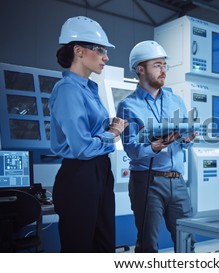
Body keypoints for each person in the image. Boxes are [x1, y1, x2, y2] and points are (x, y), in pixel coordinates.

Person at [50, 16, 128, 252]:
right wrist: (112, 133)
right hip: (80, 175)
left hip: (100, 171)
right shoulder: (67, 90)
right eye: (100, 50)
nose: (106, 57)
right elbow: (82, 147)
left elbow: (92, 135)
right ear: (79, 51)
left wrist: (111, 130)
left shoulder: (89, 89)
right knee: (80, 248)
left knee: (104, 245)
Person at [117, 40, 197, 252]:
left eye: (164, 65)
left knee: (187, 241)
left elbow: (181, 137)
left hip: (178, 182)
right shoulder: (127, 106)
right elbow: (132, 150)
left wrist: (186, 141)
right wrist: (155, 146)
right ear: (140, 69)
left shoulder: (175, 100)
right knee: (148, 245)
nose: (163, 70)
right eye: (157, 65)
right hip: (147, 181)